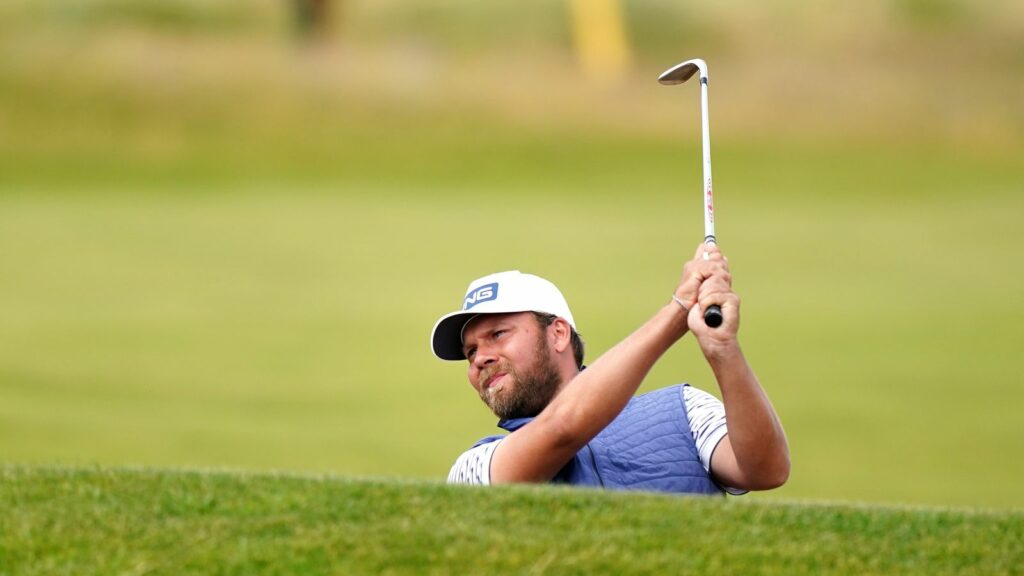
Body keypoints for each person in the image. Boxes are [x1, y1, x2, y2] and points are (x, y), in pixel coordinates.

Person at [430, 244, 789, 495]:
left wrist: (723, 350)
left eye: (497, 334)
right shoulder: (473, 469)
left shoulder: (686, 410)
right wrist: (677, 313)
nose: (480, 358)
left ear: (557, 334)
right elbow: (563, 428)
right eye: (470, 351)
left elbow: (767, 470)